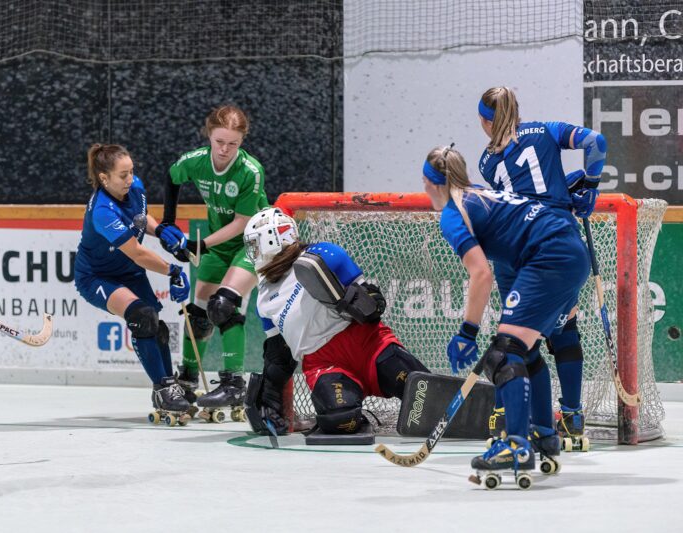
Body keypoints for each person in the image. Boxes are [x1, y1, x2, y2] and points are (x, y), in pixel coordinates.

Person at [423, 145, 590, 479]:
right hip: (568, 250)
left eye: (425, 182)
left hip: (550, 257)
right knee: (524, 352)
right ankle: (543, 434)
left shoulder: (454, 214)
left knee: (503, 355)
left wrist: (467, 332)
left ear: (433, 184)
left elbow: (481, 273)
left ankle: (516, 444)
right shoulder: (484, 194)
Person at [476, 87, 606, 449]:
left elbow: (520, 197)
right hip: (553, 240)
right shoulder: (546, 130)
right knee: (564, 332)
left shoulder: (487, 161)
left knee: (516, 340)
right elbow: (596, 141)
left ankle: (512, 423)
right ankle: (572, 417)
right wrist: (588, 186)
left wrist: (562, 190)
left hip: (511, 249)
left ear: (484, 122)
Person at [241, 207, 430, 436]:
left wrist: (368, 302)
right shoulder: (264, 296)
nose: (252, 252)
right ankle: (351, 408)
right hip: (324, 365)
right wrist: (270, 398)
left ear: (272, 238)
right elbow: (278, 354)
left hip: (369, 346)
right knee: (339, 420)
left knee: (425, 394)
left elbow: (370, 298)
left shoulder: (323, 255)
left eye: (254, 244)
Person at [155, 105, 270, 421]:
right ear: (209, 135)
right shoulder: (196, 162)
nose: (224, 150)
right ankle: (188, 380)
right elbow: (172, 175)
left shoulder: (250, 171)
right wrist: (167, 221)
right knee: (198, 313)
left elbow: (243, 222)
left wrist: (199, 244)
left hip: (255, 241)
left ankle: (234, 382)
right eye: (220, 141)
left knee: (223, 306)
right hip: (220, 246)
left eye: (233, 143)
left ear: (242, 141)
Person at [74, 144, 191, 422]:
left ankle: (168, 385)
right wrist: (172, 270)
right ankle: (164, 389)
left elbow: (140, 217)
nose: (130, 179)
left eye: (131, 172)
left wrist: (159, 228)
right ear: (104, 178)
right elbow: (137, 253)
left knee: (157, 327)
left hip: (127, 271)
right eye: (123, 175)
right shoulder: (102, 211)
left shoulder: (134, 187)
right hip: (97, 276)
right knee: (142, 316)